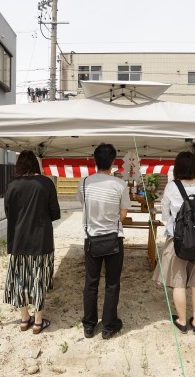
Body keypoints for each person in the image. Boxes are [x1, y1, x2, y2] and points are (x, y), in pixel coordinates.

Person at [152, 151, 195, 335]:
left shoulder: (172, 187)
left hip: (177, 240)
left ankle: (182, 320)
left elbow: (164, 215)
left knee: (179, 283)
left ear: (177, 167)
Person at [76, 143, 131, 339]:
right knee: (112, 283)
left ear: (95, 160)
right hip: (113, 239)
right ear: (113, 162)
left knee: (90, 283)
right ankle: (108, 326)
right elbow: (123, 214)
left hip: (91, 238)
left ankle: (89, 325)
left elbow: (84, 206)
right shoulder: (119, 184)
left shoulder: (83, 183)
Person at [3, 151, 61, 334]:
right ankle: (38, 321)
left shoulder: (11, 185)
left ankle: (24, 318)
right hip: (41, 239)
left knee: (19, 278)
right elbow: (55, 213)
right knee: (39, 278)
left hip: (18, 239)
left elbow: (8, 213)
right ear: (36, 164)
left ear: (19, 165)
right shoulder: (45, 183)